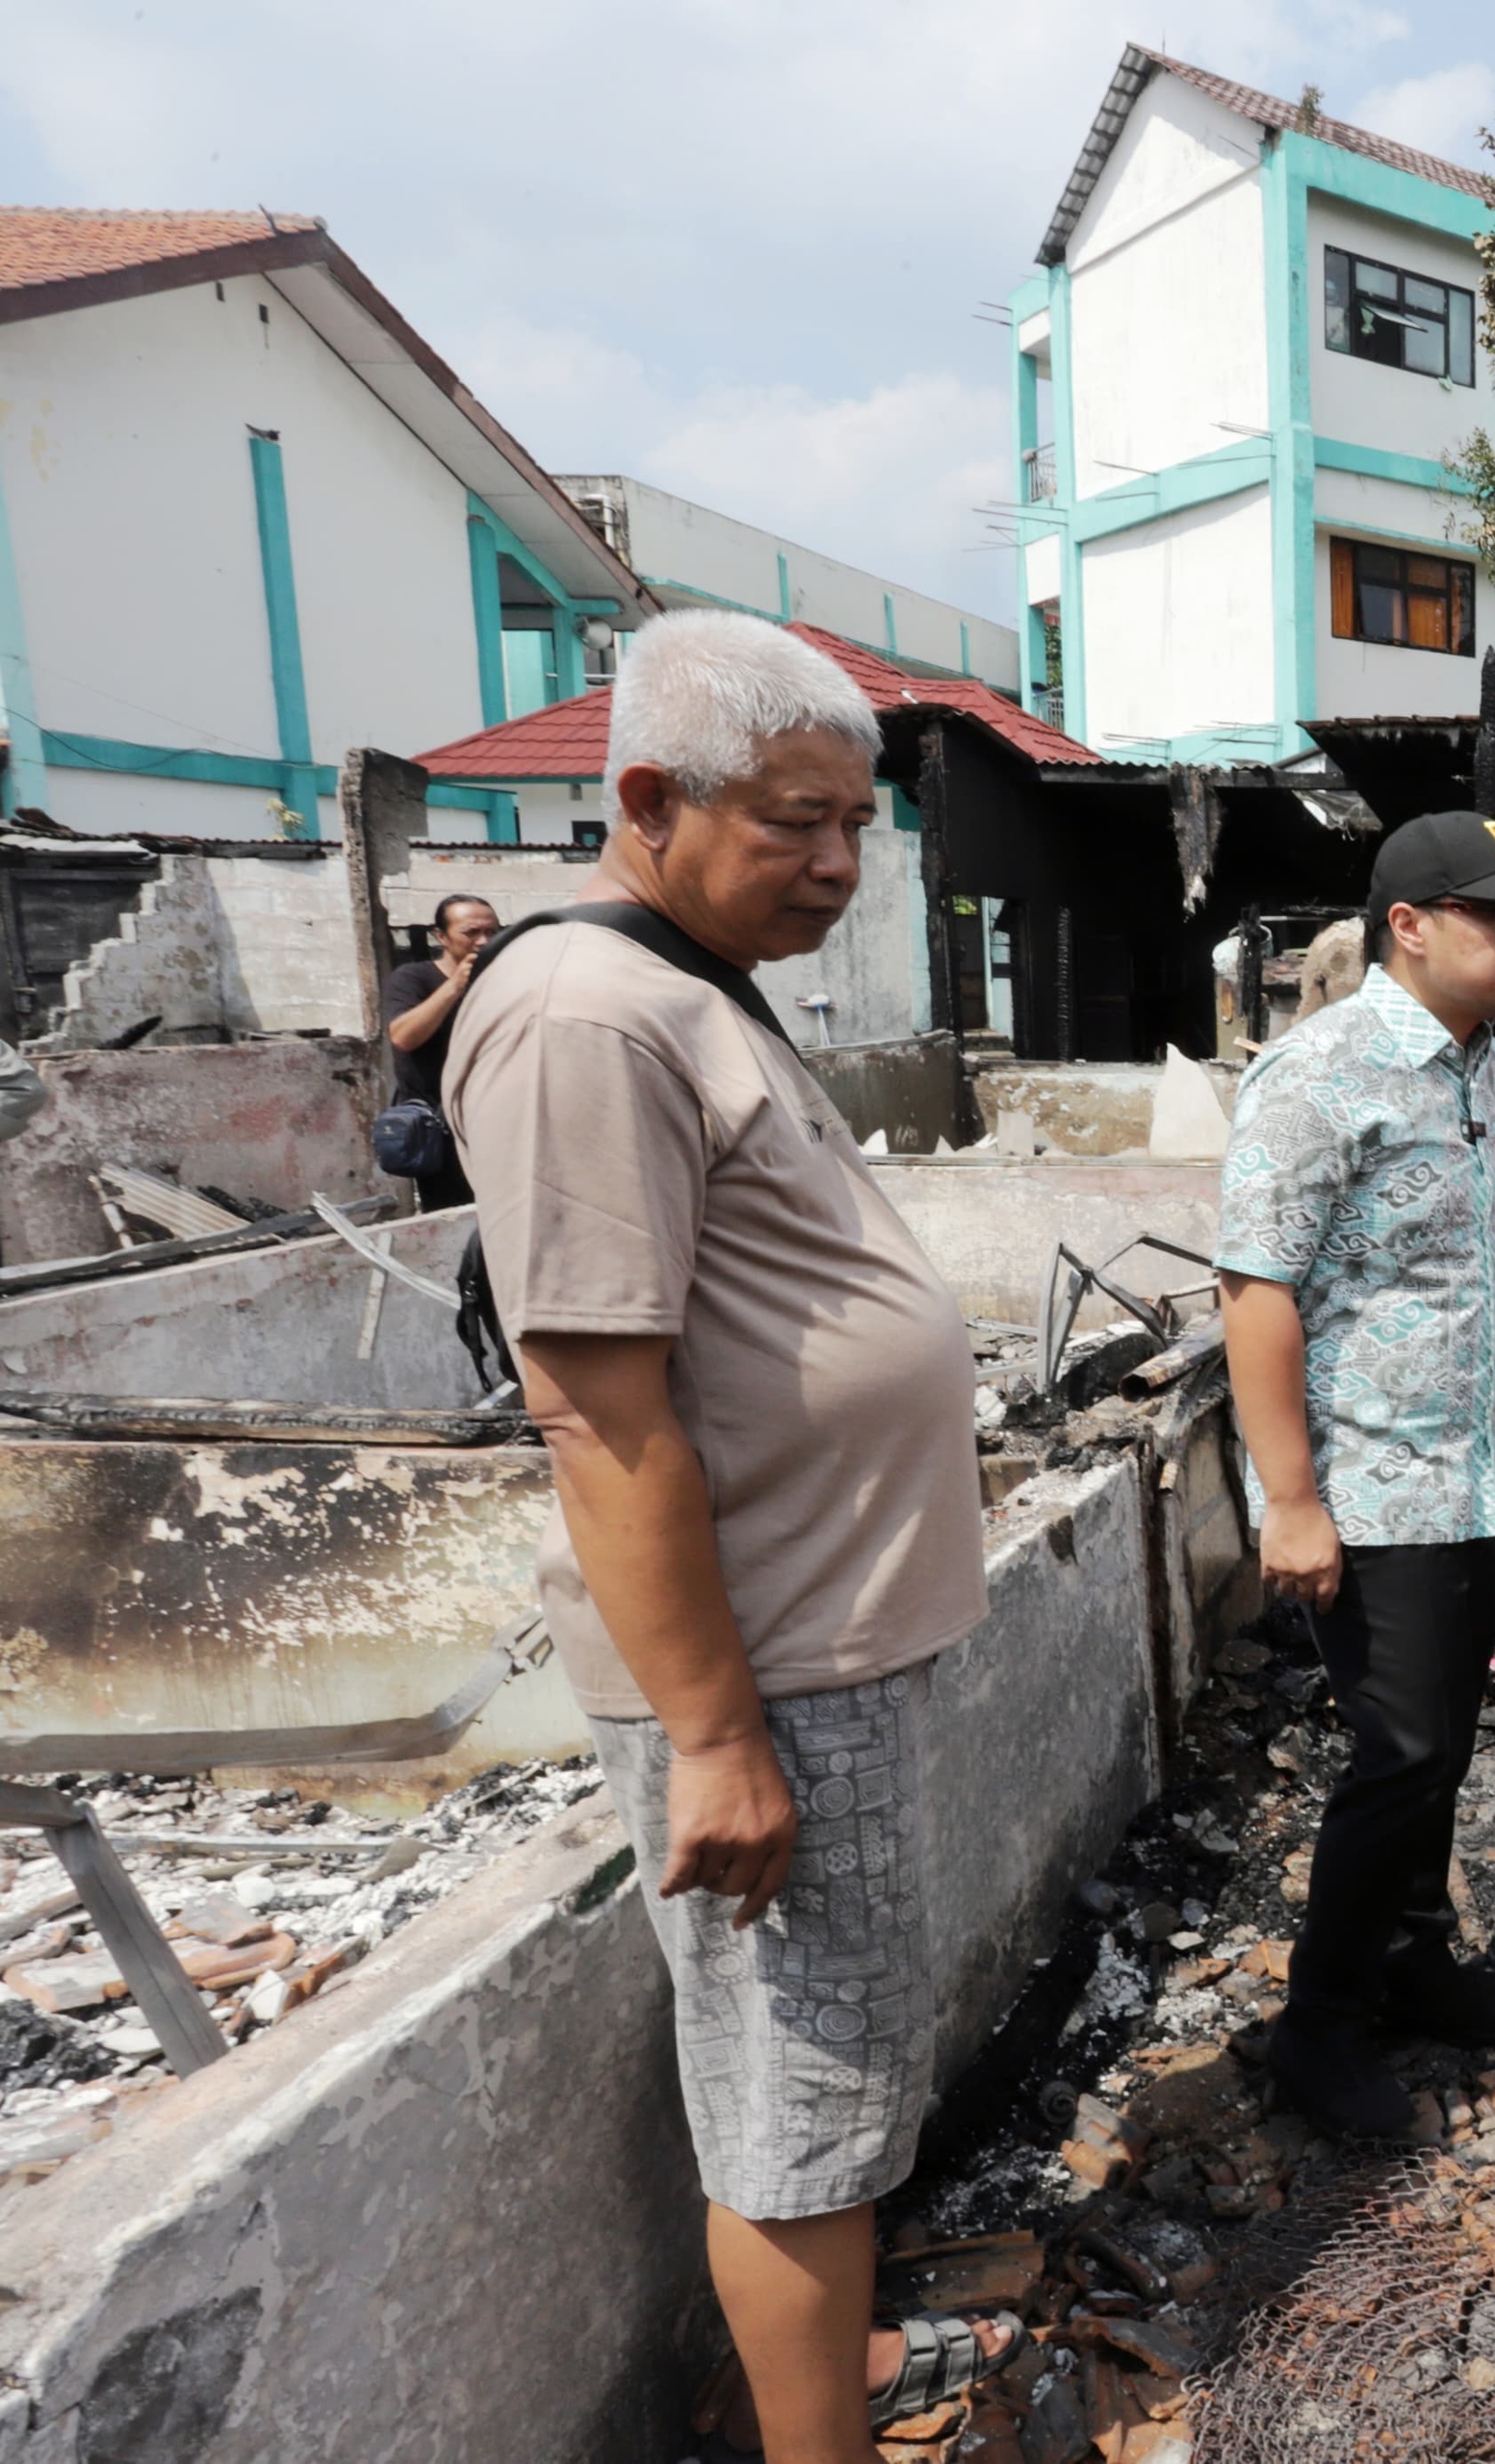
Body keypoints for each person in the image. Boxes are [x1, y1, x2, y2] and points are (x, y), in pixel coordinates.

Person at [443, 611, 1015, 2463]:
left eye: (857, 824)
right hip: (767, 1676)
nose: (838, 866)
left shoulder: (678, 989)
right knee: (798, 2106)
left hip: (823, 1654)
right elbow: (602, 1411)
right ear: (647, 801)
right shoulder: (581, 1013)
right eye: (793, 823)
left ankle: (824, 2376)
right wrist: (713, 1735)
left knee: (831, 2092)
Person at [1214, 808, 1495, 2139]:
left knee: (1442, 1748)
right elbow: (1255, 1293)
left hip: (1471, 1471)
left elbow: (1484, 1271)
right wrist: (1293, 1501)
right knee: (1403, 1746)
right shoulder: (1316, 1077)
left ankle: (1416, 1959)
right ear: (1409, 927)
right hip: (1368, 1485)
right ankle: (1322, 2026)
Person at [380, 892, 497, 1210]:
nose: (484, 941)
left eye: (492, 932)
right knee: (454, 1220)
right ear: (441, 937)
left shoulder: (500, 981)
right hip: (441, 1133)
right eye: (471, 932)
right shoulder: (413, 978)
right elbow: (403, 1036)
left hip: (495, 1123)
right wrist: (456, 985)